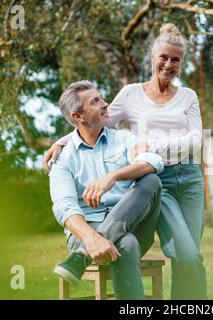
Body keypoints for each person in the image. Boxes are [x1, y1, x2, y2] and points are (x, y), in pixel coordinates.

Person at [44, 23, 207, 299]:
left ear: (181, 62)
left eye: (176, 59)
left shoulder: (188, 96)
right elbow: (93, 120)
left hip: (189, 178)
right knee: (185, 251)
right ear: (152, 58)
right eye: (163, 57)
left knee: (190, 257)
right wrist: (63, 141)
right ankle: (87, 250)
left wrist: (148, 146)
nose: (169, 64)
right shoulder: (131, 94)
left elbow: (196, 141)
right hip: (156, 180)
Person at [49, 80, 164, 300]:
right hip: (85, 233)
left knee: (150, 180)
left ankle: (81, 257)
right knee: (126, 244)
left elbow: (154, 161)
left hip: (136, 225)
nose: (105, 103)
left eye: (101, 98)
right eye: (95, 101)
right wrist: (91, 238)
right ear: (78, 117)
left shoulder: (124, 139)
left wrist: (113, 176)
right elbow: (64, 207)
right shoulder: (62, 159)